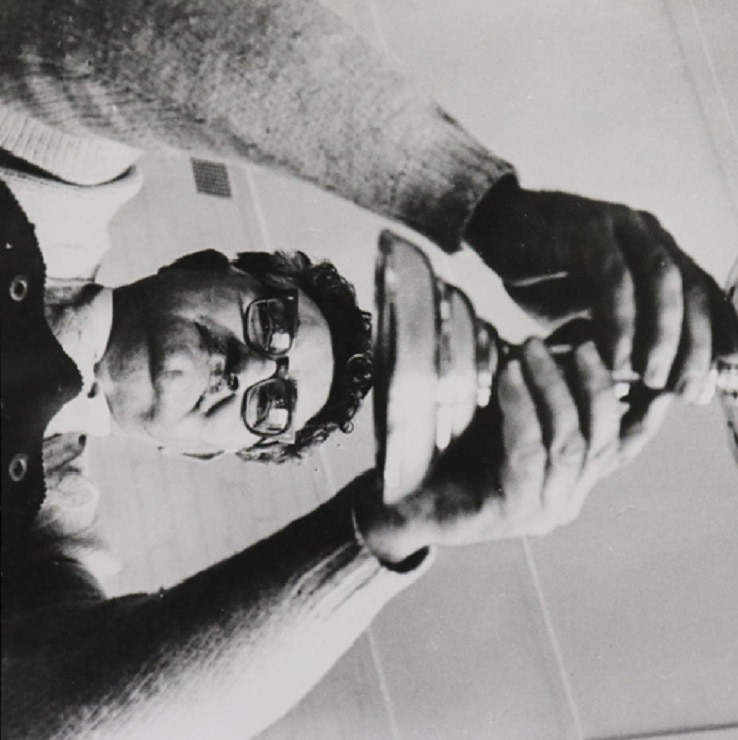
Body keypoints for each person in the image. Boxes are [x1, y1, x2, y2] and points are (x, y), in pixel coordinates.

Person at [2, 1, 738, 738]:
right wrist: (486, 207)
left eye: (274, 402)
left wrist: (386, 528)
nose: (251, 368)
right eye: (274, 321)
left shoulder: (37, 535)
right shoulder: (55, 188)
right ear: (196, 267)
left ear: (202, 450)